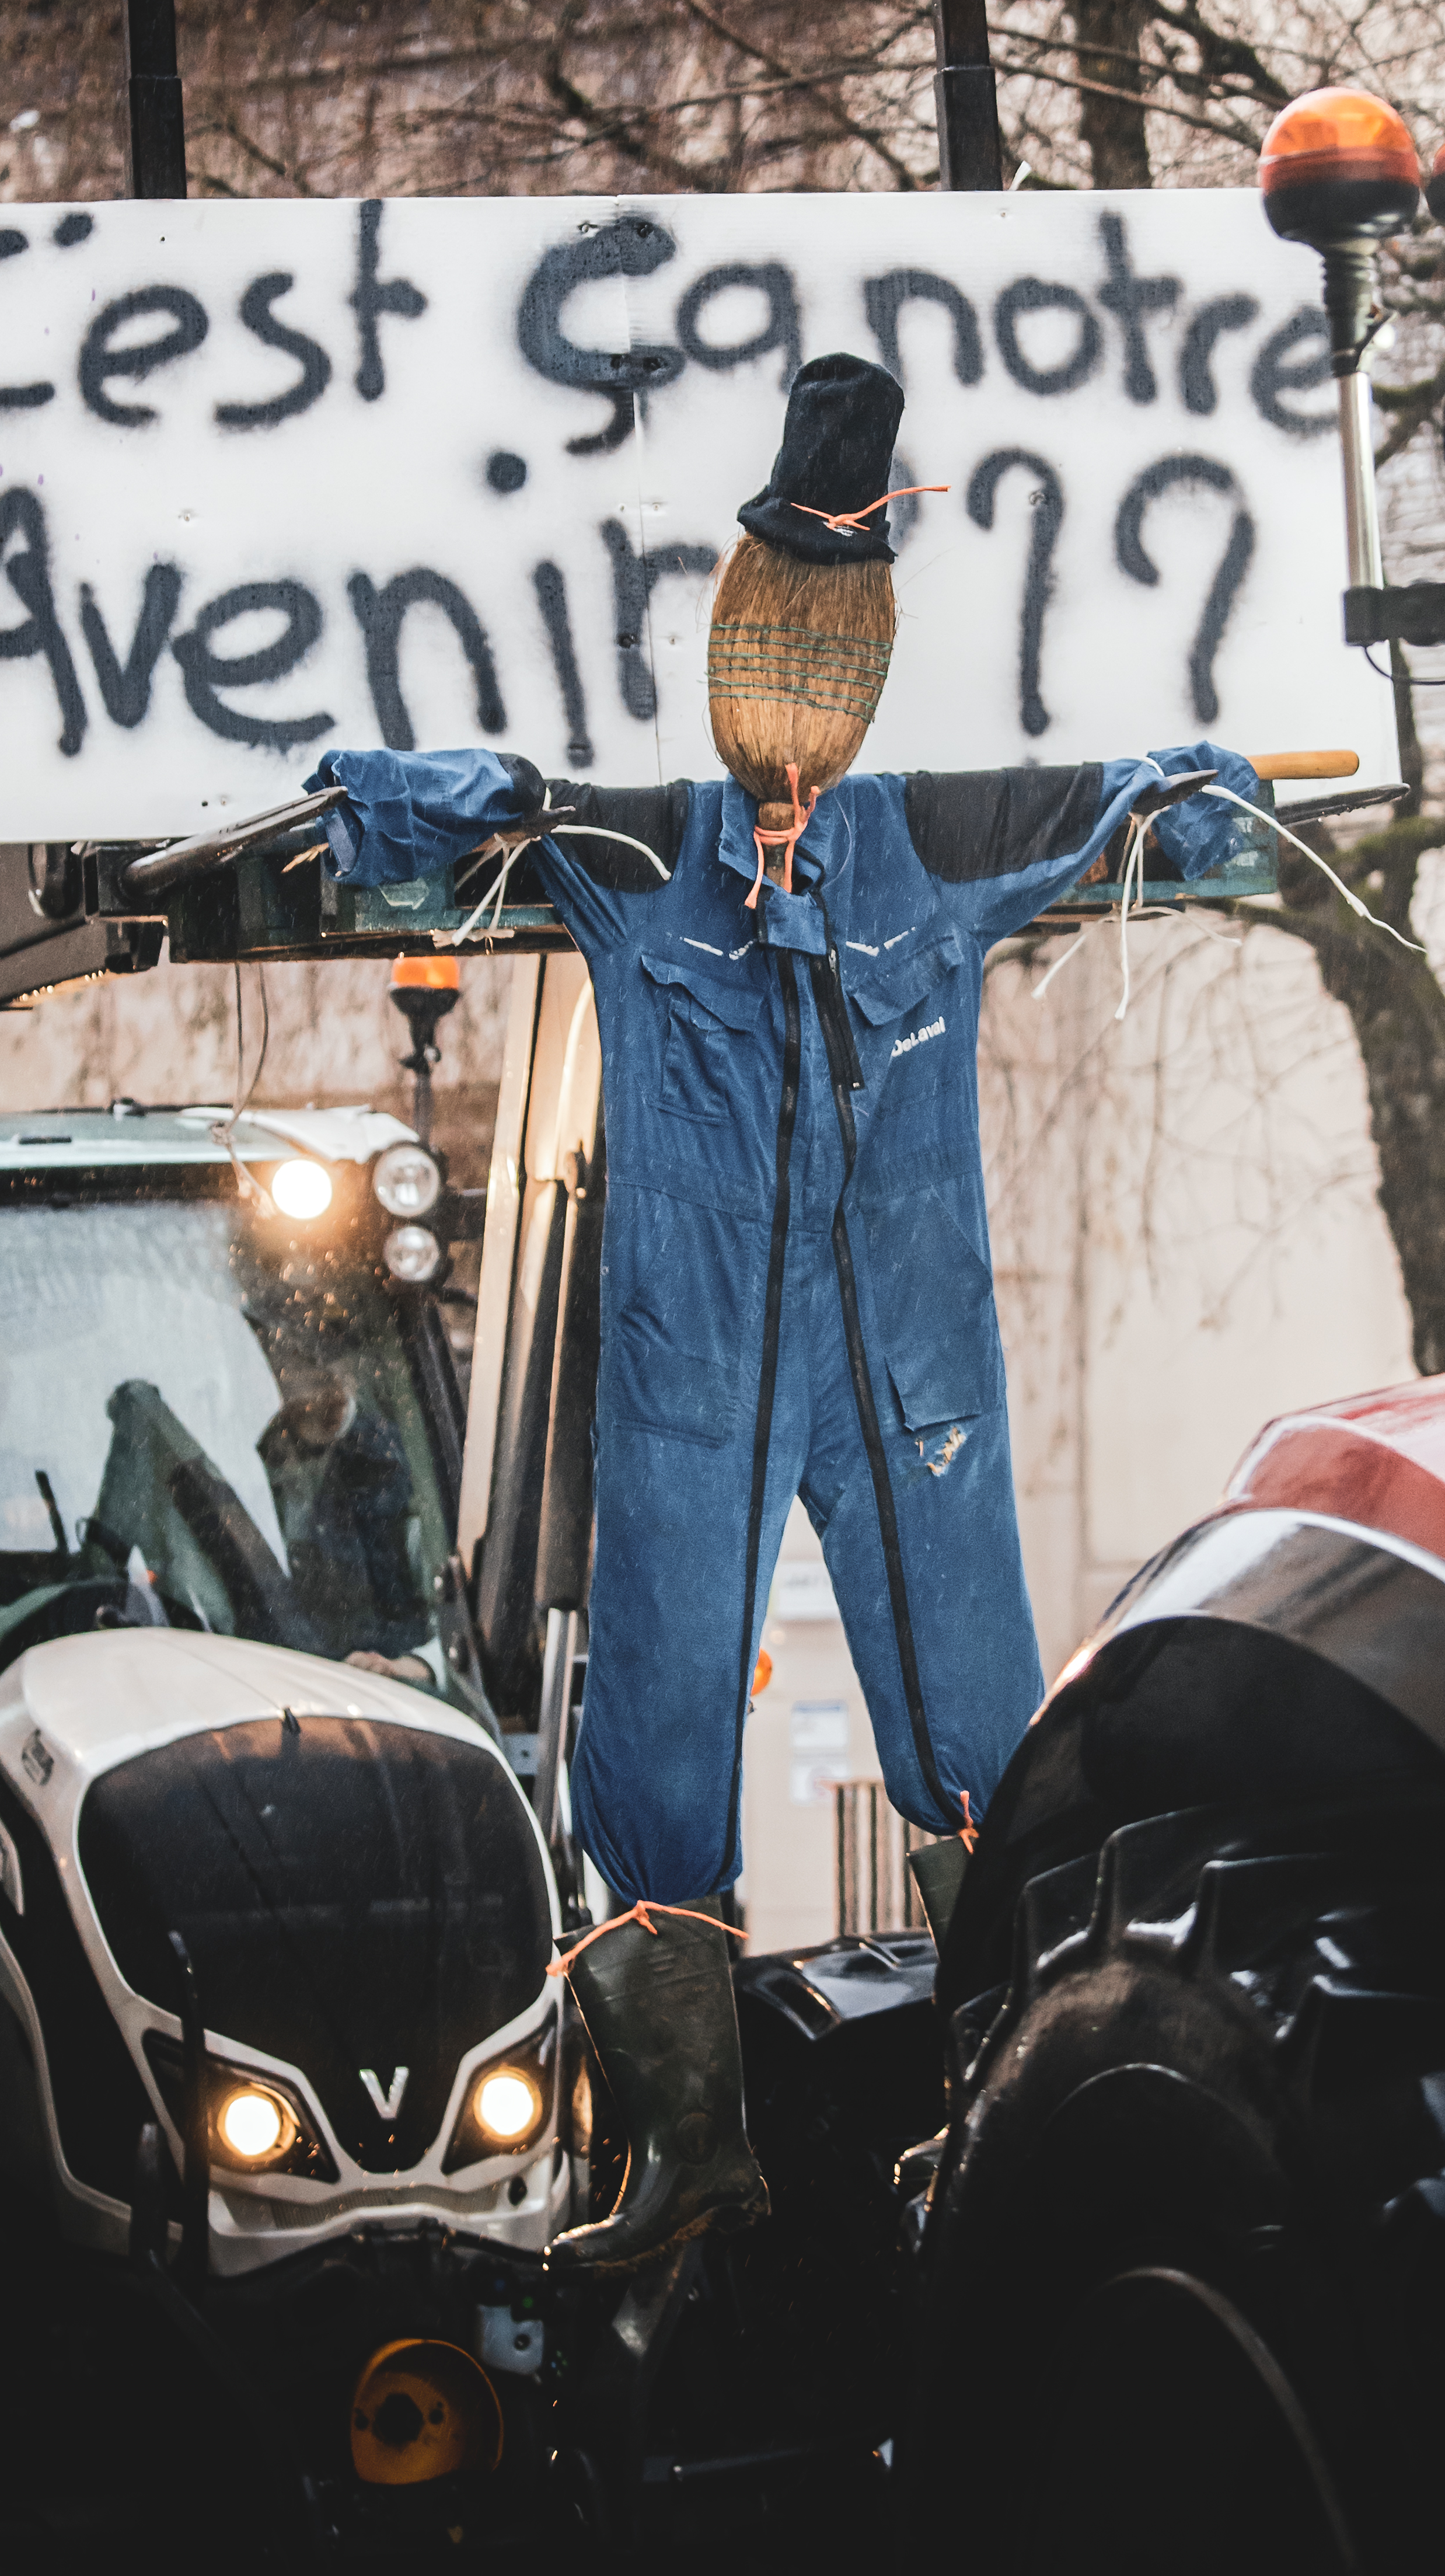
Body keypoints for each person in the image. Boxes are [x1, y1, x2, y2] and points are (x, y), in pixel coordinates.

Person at [310, 354, 1256, 2272]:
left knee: (981, 1722)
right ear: (739, 650)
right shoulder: (650, 848)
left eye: (835, 644)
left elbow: (1167, 802)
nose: (800, 706)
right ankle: (693, 2157)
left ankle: (1005, 2113)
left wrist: (1205, 796)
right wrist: (438, 795)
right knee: (657, 1742)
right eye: (781, 640)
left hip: (911, 1380)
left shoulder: (936, 839)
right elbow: (420, 817)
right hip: (697, 1378)